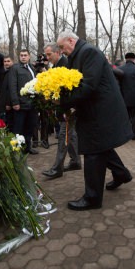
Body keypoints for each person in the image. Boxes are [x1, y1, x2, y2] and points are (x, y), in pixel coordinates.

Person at [56, 30, 133, 211]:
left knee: (92, 151)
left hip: (100, 111)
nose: (62, 51)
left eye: (62, 47)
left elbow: (88, 85)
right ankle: (121, 174)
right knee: (101, 146)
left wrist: (63, 101)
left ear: (70, 40)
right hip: (94, 110)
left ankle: (92, 198)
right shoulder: (77, 55)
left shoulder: (88, 52)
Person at [41, 42, 81, 179]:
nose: (47, 57)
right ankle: (75, 161)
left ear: (57, 52)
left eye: (49, 54)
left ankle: (57, 168)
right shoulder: (56, 65)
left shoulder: (65, 64)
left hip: (69, 107)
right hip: (64, 106)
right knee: (71, 134)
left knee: (64, 135)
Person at [9, 49, 38, 154]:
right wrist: (15, 102)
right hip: (20, 104)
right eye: (21, 55)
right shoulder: (15, 68)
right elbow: (12, 86)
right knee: (18, 128)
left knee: (30, 127)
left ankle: (27, 147)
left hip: (32, 104)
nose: (23, 57)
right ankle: (17, 149)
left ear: (29, 56)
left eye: (25, 55)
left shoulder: (31, 68)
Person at [119, 52, 135, 140]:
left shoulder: (120, 69)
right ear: (134, 59)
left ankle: (126, 133)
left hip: (123, 97)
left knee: (126, 117)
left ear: (126, 59)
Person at [0, 56, 14, 130]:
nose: (6, 63)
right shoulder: (3, 73)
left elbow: (10, 89)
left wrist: (8, 103)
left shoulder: (13, 73)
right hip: (2, 104)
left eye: (8, 61)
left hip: (10, 104)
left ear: (12, 62)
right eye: (5, 61)